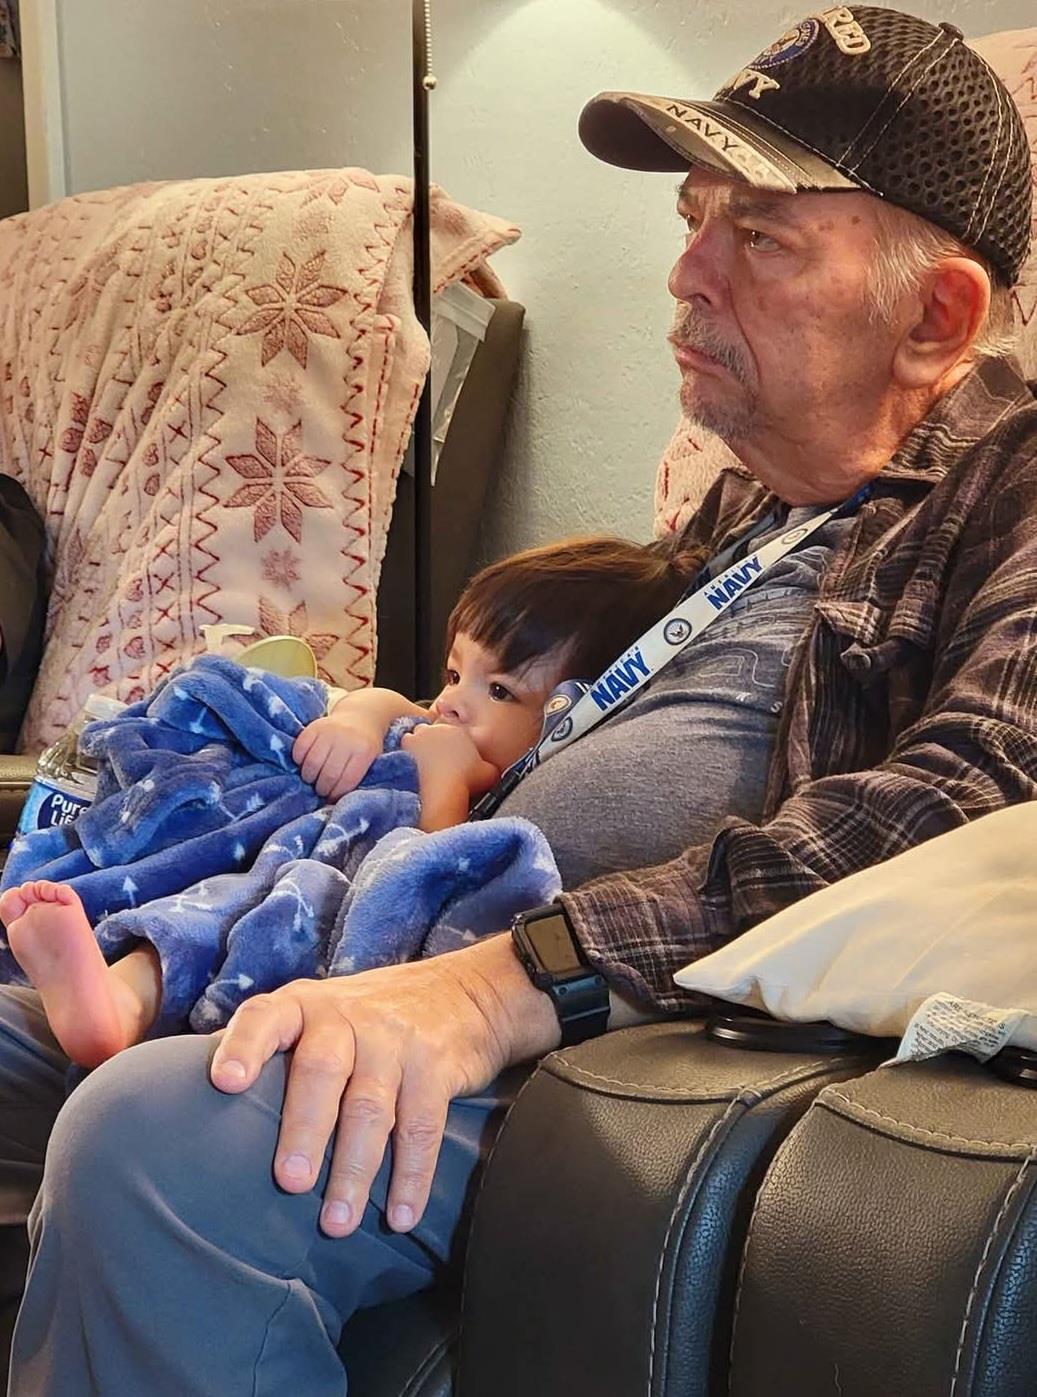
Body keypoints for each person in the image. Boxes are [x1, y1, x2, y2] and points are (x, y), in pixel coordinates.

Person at [1, 8, 1036, 1392]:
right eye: (695, 220)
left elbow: (971, 802)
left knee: (158, 1141)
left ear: (936, 316)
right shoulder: (747, 511)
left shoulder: (1008, 487)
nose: (685, 273)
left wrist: (509, 979)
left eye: (761, 238)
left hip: (619, 1025)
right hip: (414, 936)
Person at [0, 534, 692, 1069]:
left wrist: (446, 780)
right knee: (210, 877)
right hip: (276, 840)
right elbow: (385, 701)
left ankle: (117, 1007)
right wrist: (358, 724)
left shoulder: (495, 802)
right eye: (456, 671)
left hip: (315, 884)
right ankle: (100, 981)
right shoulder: (436, 727)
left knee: (234, 911)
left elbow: (427, 874)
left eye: (500, 691)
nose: (452, 701)